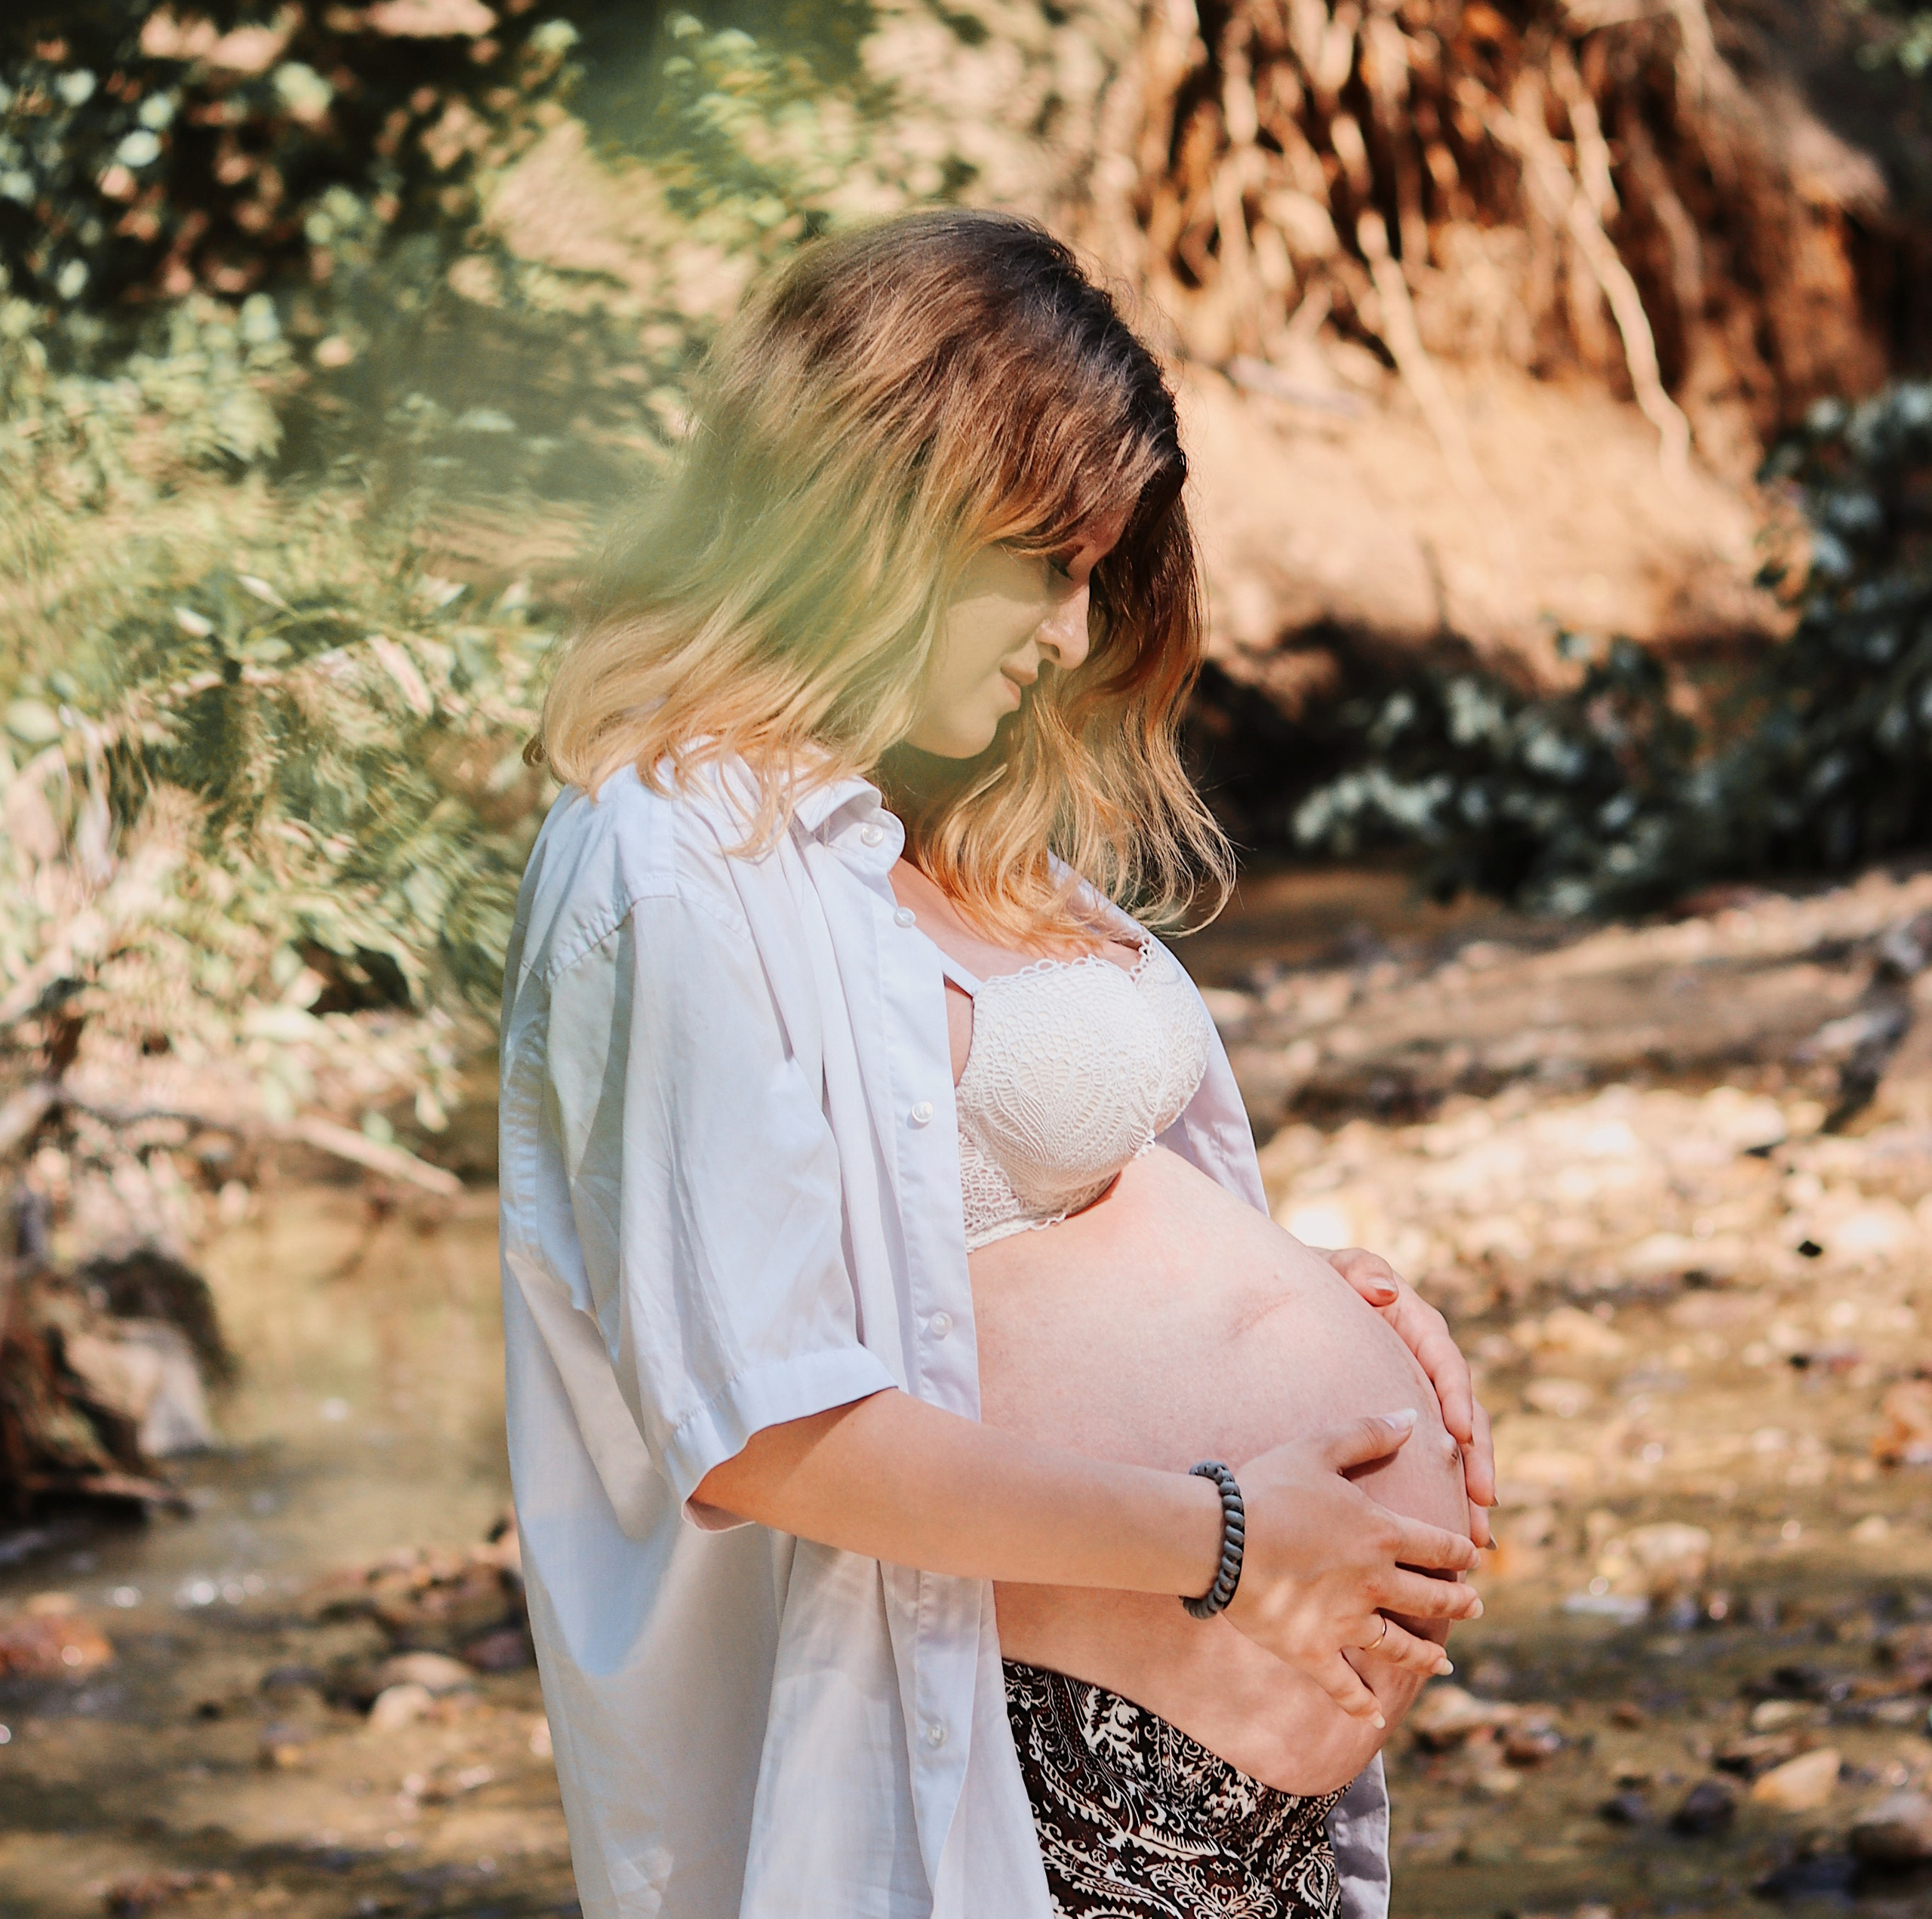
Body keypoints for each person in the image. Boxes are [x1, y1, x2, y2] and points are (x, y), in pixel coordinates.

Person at [499, 211, 1495, 1919]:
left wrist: (1311, 1298)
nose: (1064, 629)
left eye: (1094, 572)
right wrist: (1228, 1531)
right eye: (1042, 560)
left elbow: (989, 1223)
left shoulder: (924, 824)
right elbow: (763, 1429)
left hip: (1187, 1740)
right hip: (1018, 1752)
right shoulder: (668, 863)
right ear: (874, 506)